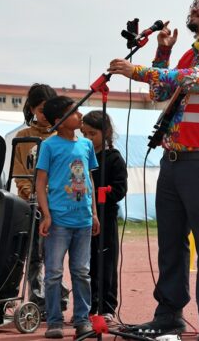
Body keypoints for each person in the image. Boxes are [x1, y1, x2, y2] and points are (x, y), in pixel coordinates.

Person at [107, 0, 199, 339]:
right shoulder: (190, 52)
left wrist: (134, 70)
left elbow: (192, 79)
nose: (193, 9)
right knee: (170, 243)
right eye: (193, 4)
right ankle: (168, 315)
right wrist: (163, 53)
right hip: (173, 161)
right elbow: (158, 91)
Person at [36, 96, 100, 339]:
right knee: (53, 272)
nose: (80, 115)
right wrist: (46, 215)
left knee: (82, 271)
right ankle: (54, 321)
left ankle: (82, 319)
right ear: (58, 121)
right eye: (74, 112)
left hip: (83, 220)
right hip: (59, 221)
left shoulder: (86, 145)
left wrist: (94, 213)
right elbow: (41, 182)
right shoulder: (50, 146)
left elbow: (89, 180)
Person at [12, 84, 70, 316]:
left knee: (56, 255)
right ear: (31, 109)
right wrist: (33, 195)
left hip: (59, 205)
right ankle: (37, 298)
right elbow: (19, 174)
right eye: (39, 109)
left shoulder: (63, 136)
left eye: (48, 108)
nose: (44, 114)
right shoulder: (23, 137)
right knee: (35, 256)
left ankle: (59, 296)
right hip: (32, 206)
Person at [81, 110, 128, 323]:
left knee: (106, 263)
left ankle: (107, 307)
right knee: (85, 263)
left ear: (106, 132)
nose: (88, 139)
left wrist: (103, 193)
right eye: (85, 134)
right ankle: (89, 306)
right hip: (82, 218)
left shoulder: (114, 158)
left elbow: (120, 189)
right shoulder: (81, 156)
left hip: (105, 218)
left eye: (93, 134)